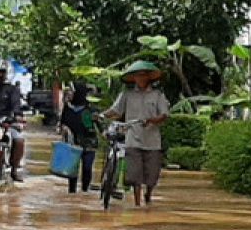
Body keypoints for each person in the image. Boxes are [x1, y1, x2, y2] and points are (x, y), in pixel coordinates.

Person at [103, 61, 170, 207]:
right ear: (133, 78)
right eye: (138, 76)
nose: (140, 78)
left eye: (143, 76)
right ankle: (137, 203)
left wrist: (152, 120)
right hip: (132, 137)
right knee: (135, 174)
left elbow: (164, 114)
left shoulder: (157, 95)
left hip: (152, 140)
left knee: (152, 175)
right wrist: (102, 115)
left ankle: (148, 194)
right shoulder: (126, 95)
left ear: (148, 77)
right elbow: (115, 111)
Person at [59, 82, 98, 194]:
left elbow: (98, 124)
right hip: (72, 143)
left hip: (89, 143)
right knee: (73, 171)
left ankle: (85, 191)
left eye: (72, 91)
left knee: (87, 168)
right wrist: (64, 128)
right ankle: (72, 194)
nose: (69, 93)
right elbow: (63, 122)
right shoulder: (68, 108)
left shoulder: (90, 108)